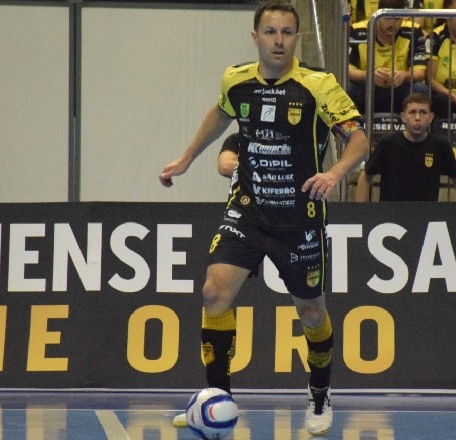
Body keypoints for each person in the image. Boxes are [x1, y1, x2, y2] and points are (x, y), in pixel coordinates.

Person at [158, 1, 369, 435]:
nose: (279, 40)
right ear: (255, 37)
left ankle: (319, 394)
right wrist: (186, 158)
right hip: (249, 210)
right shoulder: (237, 80)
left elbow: (358, 140)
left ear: (297, 37)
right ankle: (217, 399)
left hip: (300, 218)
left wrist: (333, 172)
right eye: (270, 32)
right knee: (214, 292)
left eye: (287, 32)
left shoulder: (318, 85)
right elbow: (220, 114)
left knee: (311, 312)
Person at [356, 93, 456, 201]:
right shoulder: (389, 144)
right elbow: (366, 176)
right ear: (403, 117)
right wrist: (363, 213)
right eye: (412, 112)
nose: (417, 117)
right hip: (391, 217)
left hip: (427, 217)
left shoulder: (440, 146)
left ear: (431, 117)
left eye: (423, 112)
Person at [347, 0, 430, 115]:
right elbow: (348, 70)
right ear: (377, 15)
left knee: (420, 90)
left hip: (399, 88)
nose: (392, 25)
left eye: (397, 19)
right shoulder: (357, 30)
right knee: (348, 88)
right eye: (388, 18)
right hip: (367, 87)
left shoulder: (413, 31)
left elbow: (419, 72)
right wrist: (369, 75)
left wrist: (403, 75)